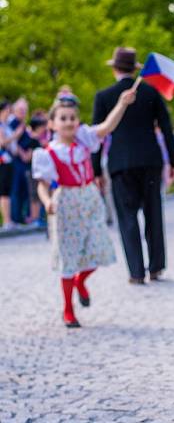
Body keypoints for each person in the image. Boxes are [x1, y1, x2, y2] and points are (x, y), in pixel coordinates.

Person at [32, 88, 136, 327]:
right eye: (63, 118)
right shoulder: (47, 153)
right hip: (66, 203)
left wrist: (121, 103)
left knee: (98, 248)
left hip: (89, 198)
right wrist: (48, 202)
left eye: (72, 117)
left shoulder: (84, 140)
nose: (69, 122)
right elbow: (42, 185)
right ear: (52, 124)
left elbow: (107, 126)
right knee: (69, 255)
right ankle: (68, 309)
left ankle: (81, 281)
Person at [92, 47, 174, 284]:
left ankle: (136, 272)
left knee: (127, 217)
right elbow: (166, 127)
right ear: (134, 68)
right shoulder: (151, 92)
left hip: (120, 163)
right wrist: (173, 161)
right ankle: (156, 267)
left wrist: (96, 169)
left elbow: (97, 135)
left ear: (114, 69)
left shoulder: (104, 96)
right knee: (153, 214)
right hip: (150, 159)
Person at [0, 98, 25, 230]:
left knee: (7, 191)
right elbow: (2, 142)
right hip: (3, 160)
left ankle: (9, 219)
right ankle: (6, 221)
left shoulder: (5, 125)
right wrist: (16, 135)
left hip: (9, 160)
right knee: (4, 191)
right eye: (8, 110)